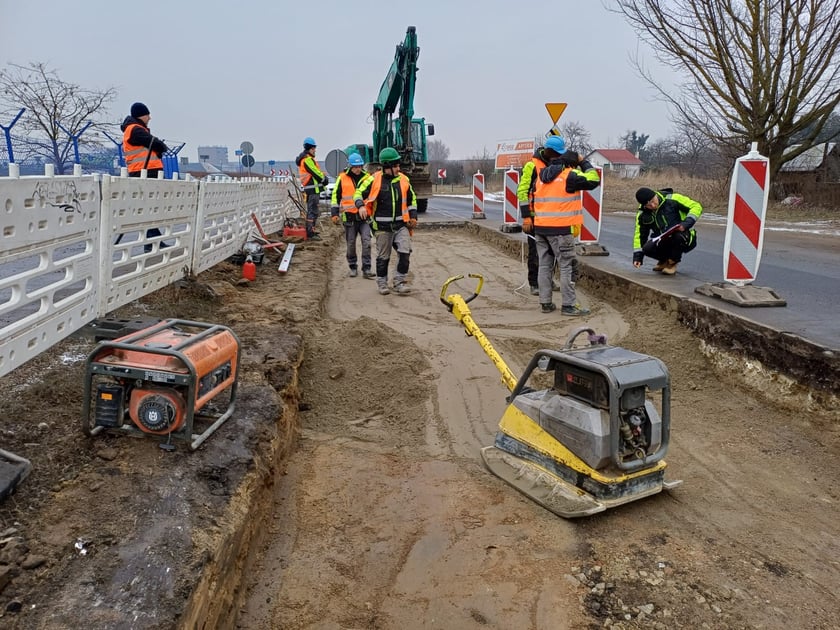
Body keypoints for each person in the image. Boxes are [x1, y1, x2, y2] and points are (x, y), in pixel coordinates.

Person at [524, 135, 600, 315]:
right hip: (561, 230)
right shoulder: (569, 176)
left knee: (544, 265)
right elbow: (594, 179)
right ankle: (568, 305)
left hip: (541, 228)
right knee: (567, 266)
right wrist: (583, 161)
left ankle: (546, 303)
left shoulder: (541, 176)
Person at [353, 147, 418, 296]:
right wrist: (361, 206)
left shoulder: (404, 180)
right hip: (382, 227)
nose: (398, 168)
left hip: (401, 225)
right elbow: (357, 193)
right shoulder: (373, 179)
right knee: (384, 257)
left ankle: (399, 282)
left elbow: (412, 199)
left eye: (398, 165)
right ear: (386, 166)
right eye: (395, 165)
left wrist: (413, 216)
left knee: (405, 252)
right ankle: (382, 283)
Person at [121, 102, 169, 250]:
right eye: (148, 115)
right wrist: (160, 147)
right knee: (150, 207)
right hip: (144, 171)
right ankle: (152, 241)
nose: (150, 118)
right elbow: (157, 144)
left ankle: (153, 239)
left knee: (151, 207)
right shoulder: (135, 130)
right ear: (142, 115)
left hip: (145, 170)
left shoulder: (135, 129)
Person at [632, 187, 702, 275]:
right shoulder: (642, 214)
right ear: (644, 206)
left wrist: (685, 224)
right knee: (647, 248)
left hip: (684, 235)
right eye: (649, 205)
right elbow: (639, 235)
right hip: (663, 239)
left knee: (678, 236)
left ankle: (672, 262)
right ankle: (664, 260)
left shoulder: (673, 199)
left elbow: (696, 206)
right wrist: (638, 257)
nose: (653, 206)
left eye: (653, 201)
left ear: (656, 195)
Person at [331, 153, 374, 278]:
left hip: (364, 216)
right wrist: (334, 213)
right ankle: (352, 266)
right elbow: (335, 196)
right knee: (351, 243)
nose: (358, 169)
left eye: (360, 166)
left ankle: (366, 268)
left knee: (367, 242)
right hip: (349, 217)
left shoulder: (367, 178)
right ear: (350, 166)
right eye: (355, 166)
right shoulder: (342, 178)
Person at [517, 144, 547, 295]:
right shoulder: (531, 166)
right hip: (534, 219)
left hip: (550, 219)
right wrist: (526, 216)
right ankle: (534, 283)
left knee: (550, 253)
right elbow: (522, 192)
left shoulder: (555, 165)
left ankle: (547, 281)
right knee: (535, 252)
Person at [295, 137, 329, 241]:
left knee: (313, 210)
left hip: (312, 189)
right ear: (309, 149)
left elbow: (315, 173)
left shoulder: (306, 159)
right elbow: (315, 172)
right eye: (314, 149)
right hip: (313, 190)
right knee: (312, 211)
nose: (315, 151)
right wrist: (324, 179)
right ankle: (310, 232)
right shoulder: (307, 160)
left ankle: (312, 230)